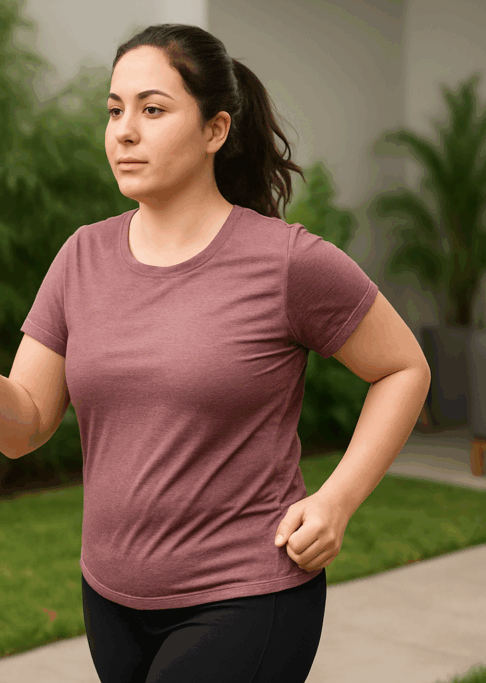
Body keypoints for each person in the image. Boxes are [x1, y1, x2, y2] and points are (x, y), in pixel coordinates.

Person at [23, 23, 380, 683]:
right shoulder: (81, 256)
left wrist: (337, 500)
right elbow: (24, 425)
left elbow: (402, 368)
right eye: (114, 110)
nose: (124, 131)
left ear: (215, 129)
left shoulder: (285, 261)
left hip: (247, 594)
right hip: (110, 597)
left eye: (152, 110)